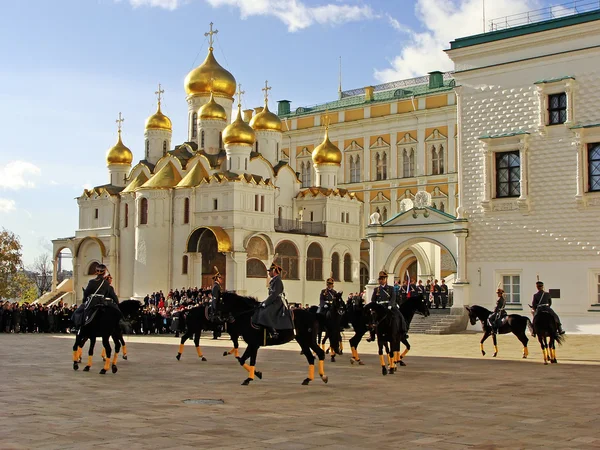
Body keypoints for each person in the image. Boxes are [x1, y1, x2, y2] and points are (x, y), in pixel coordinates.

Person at [255, 262, 293, 338]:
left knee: (265, 313)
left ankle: (273, 332)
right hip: (273, 300)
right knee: (260, 310)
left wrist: (266, 303)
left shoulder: (278, 281)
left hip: (276, 302)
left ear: (274, 271)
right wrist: (264, 302)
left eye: (270, 271)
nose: (269, 273)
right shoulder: (274, 280)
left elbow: (274, 294)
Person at [369, 270, 407, 341]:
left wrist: (390, 305)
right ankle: (372, 335)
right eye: (380, 279)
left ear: (386, 279)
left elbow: (393, 298)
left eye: (382, 279)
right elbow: (373, 299)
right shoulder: (376, 289)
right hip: (380, 306)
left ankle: (403, 332)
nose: (381, 280)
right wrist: (374, 307)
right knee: (372, 318)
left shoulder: (391, 288)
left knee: (399, 316)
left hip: (388, 306)